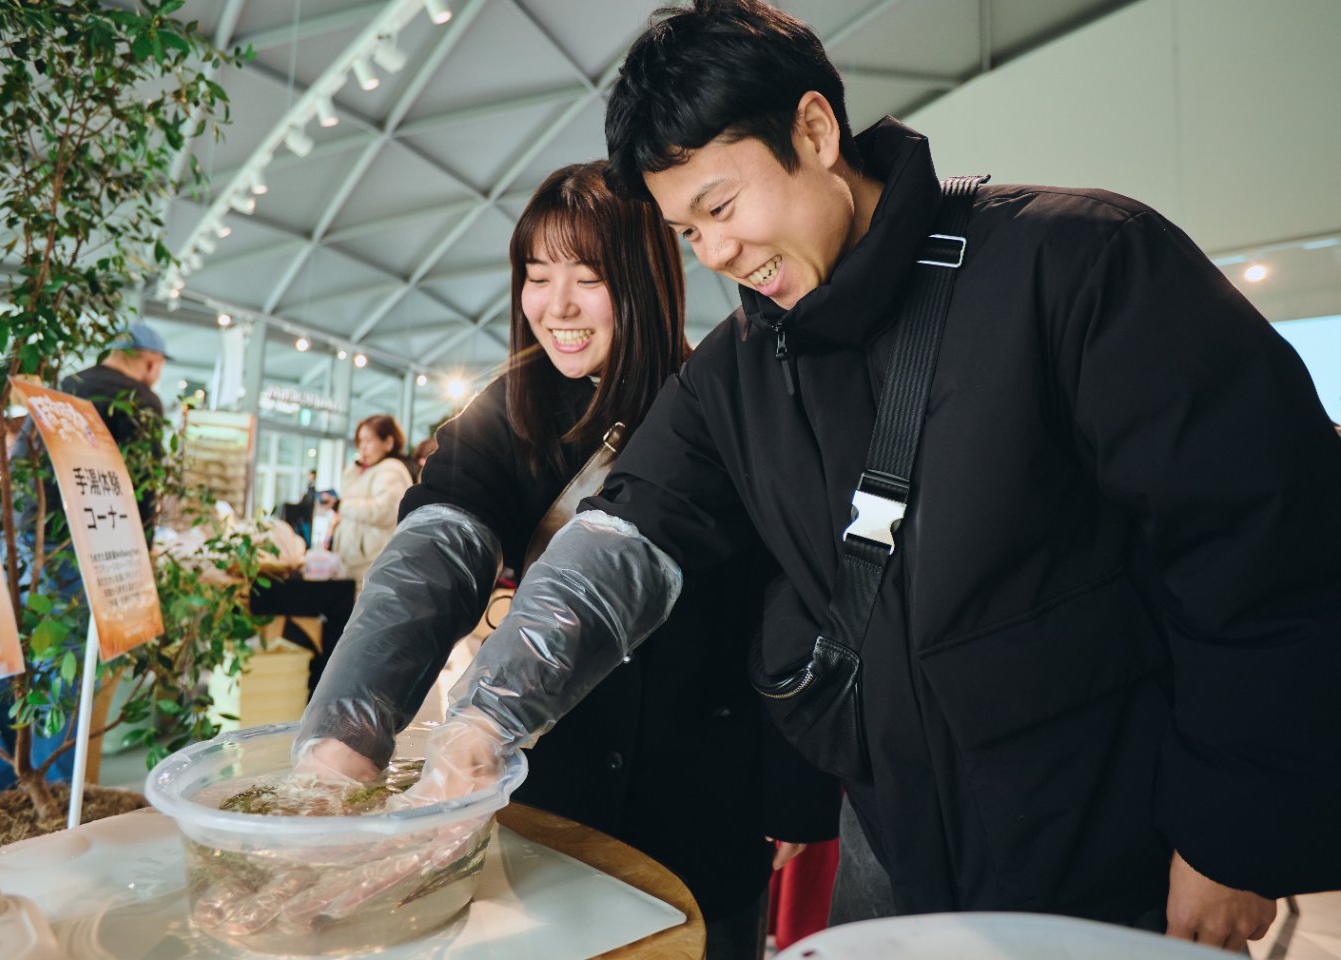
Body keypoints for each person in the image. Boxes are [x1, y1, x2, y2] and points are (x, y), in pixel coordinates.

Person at [399, 0, 1341, 952]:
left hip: (1108, 848)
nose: (717, 252)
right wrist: (488, 718)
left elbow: (1266, 551)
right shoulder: (733, 373)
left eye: (721, 207)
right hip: (888, 854)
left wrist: (1232, 835)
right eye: (688, 232)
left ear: (814, 130)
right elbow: (625, 534)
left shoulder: (1078, 266)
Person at [295, 161, 837, 958]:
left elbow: (793, 597)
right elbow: (435, 556)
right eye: (537, 276)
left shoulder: (721, 402)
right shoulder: (505, 412)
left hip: (702, 789)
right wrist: (343, 742)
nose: (558, 307)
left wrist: (792, 796)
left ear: (646, 279)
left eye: (588, 278)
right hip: (554, 792)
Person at [0, 323, 169, 792]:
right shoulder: (142, 401)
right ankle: (52, 791)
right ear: (149, 361)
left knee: (11, 659)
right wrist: (138, 565)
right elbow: (140, 492)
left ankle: (0, 784)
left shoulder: (63, 387)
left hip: (19, 540)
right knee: (60, 669)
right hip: (77, 550)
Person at [325, 414, 412, 585]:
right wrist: (355, 466)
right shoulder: (367, 469)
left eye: (368, 440)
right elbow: (349, 494)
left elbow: (385, 511)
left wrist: (342, 506)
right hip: (356, 561)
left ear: (388, 442)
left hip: (372, 562)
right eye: (360, 441)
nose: (363, 447)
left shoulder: (390, 469)